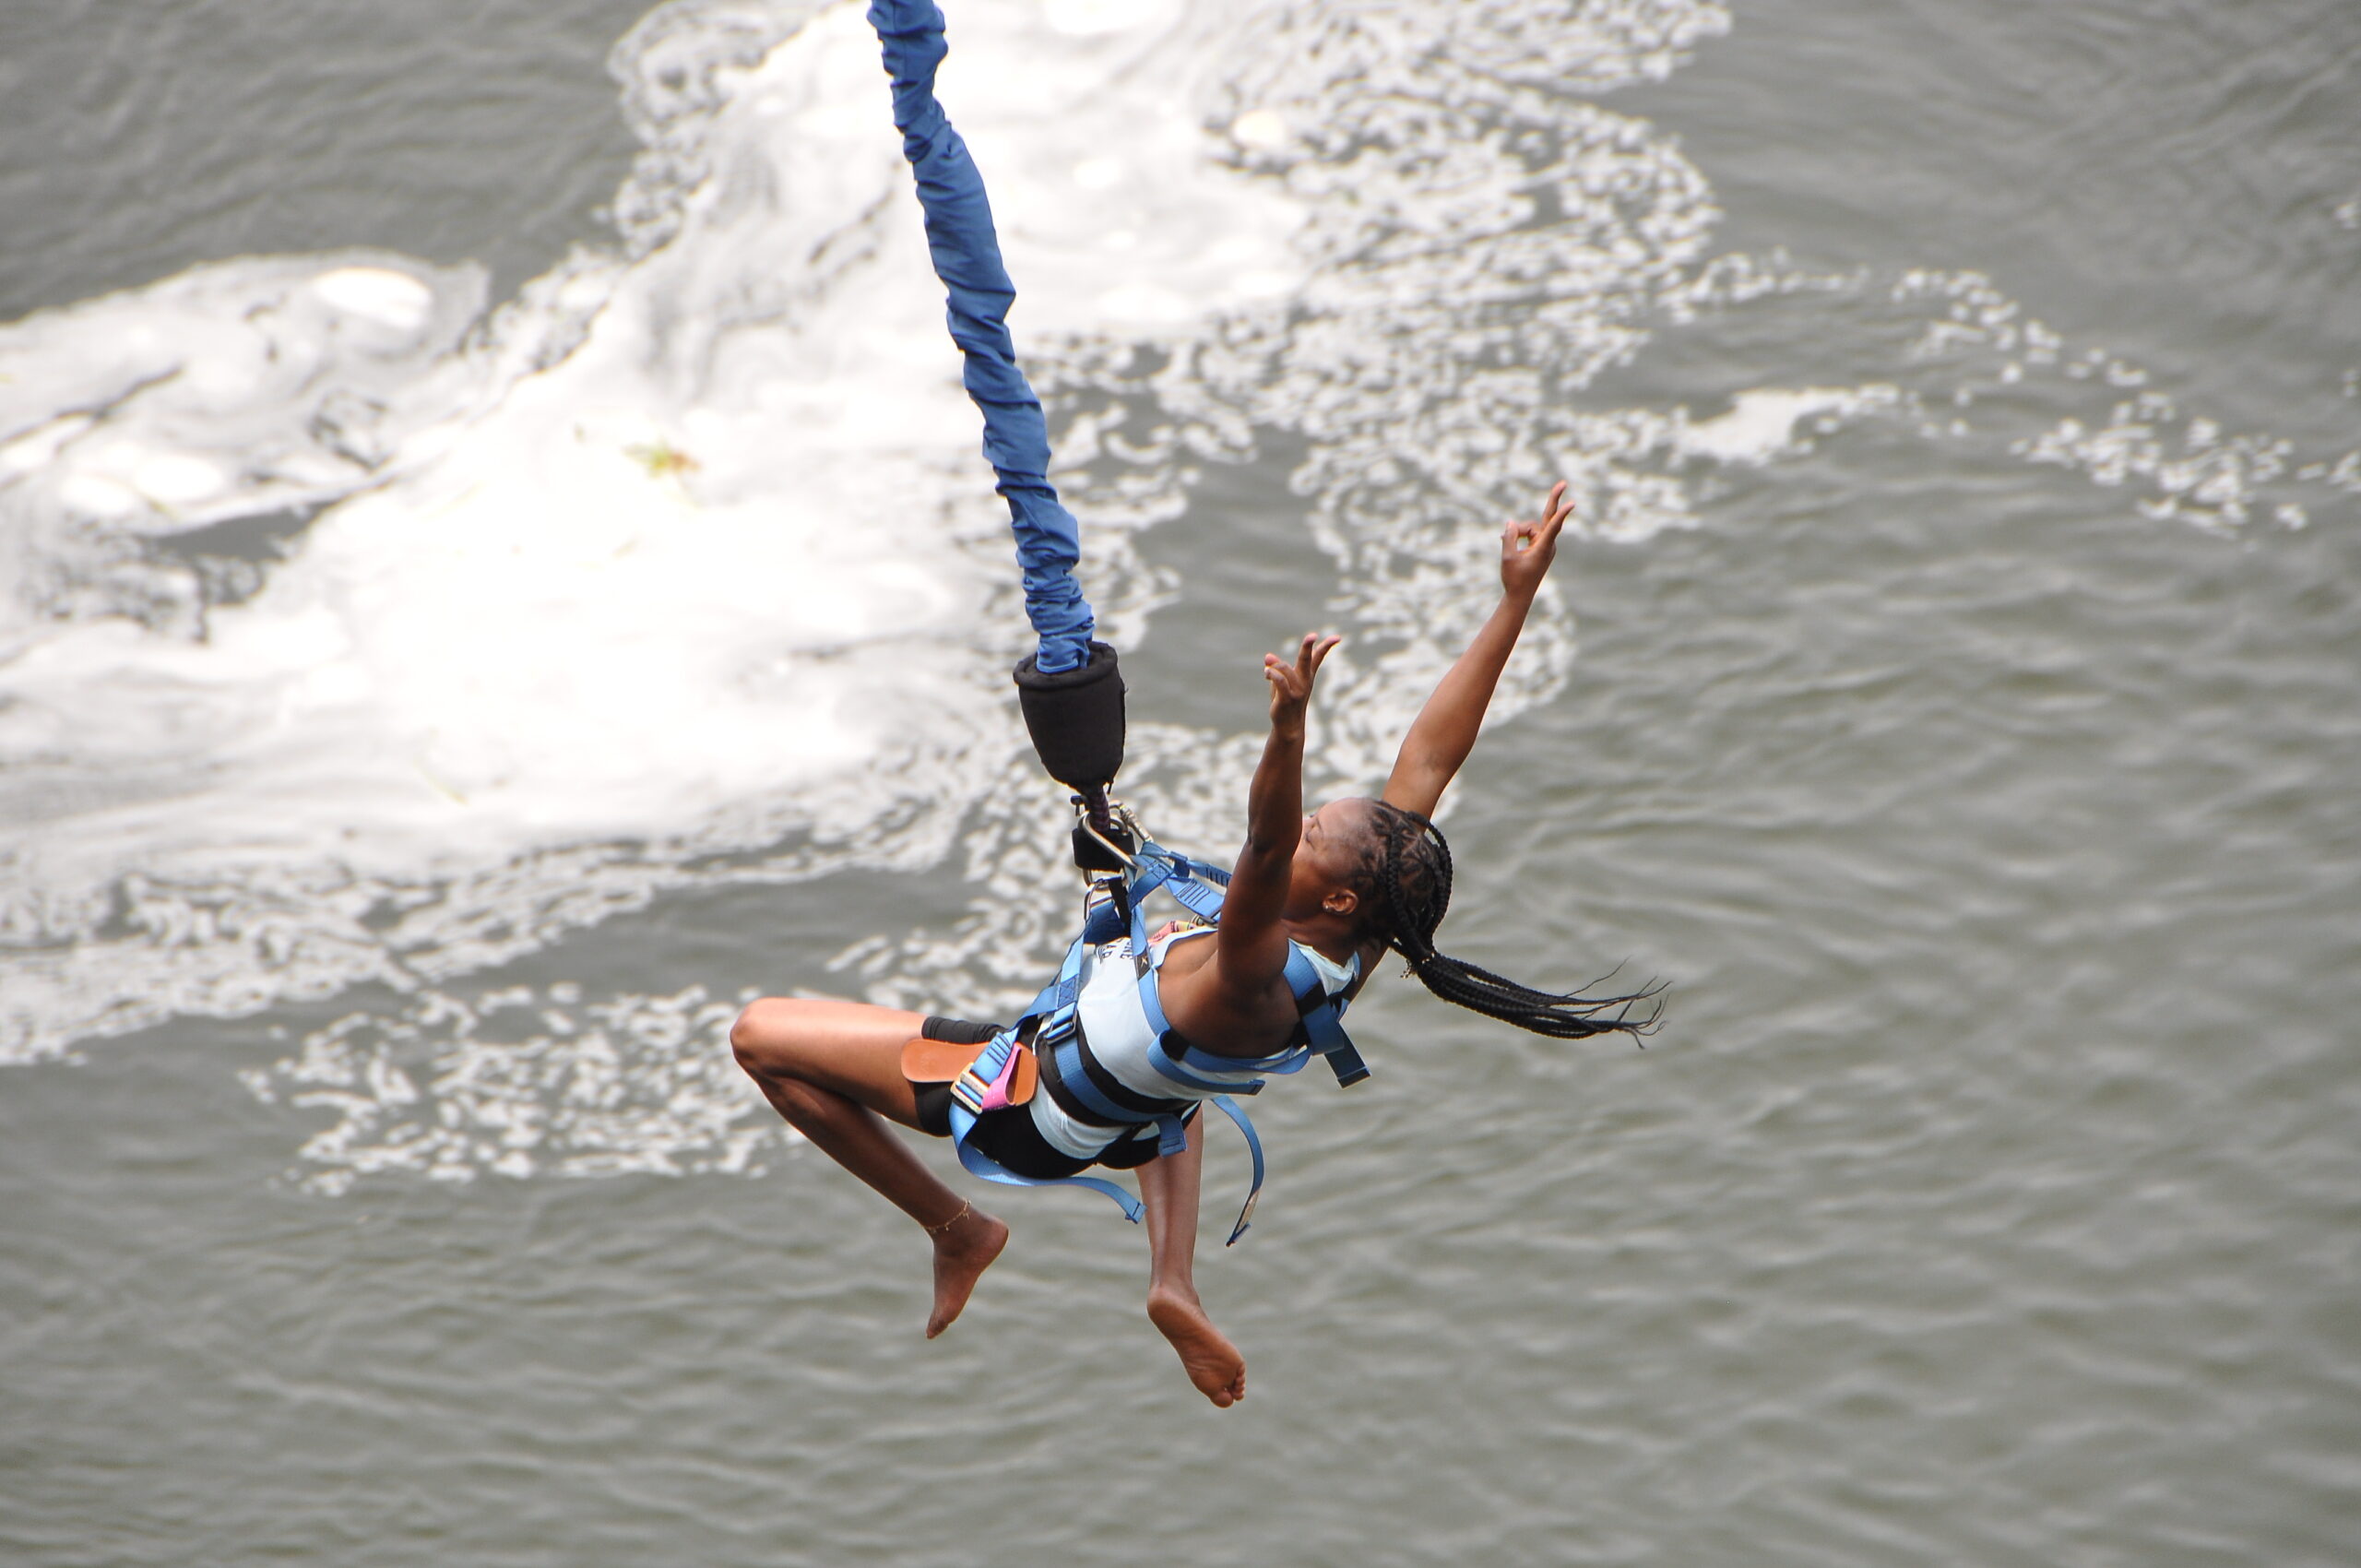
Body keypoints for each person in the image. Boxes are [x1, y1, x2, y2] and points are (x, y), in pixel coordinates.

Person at [731, 480, 1657, 1407]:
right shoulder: (1358, 936)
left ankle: (955, 1226)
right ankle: (1170, 1278)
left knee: (762, 1039)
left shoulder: (1251, 969)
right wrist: (1515, 597)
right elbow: (1428, 758)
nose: (1295, 835)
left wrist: (1288, 730)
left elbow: (1261, 845)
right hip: (1143, 1101)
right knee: (1175, 1075)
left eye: (1311, 838)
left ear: (1334, 889)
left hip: (1029, 1101)